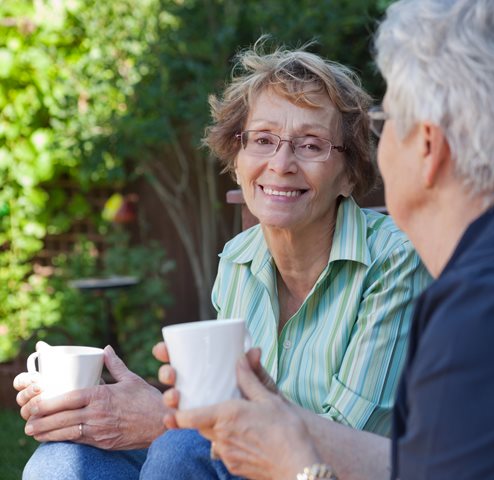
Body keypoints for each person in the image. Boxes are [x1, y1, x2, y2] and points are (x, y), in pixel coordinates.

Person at [163, 0, 494, 479]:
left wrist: (300, 469)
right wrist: (279, 421)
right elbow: (427, 464)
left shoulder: (492, 309)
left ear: (427, 147)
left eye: (386, 118)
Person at [14, 44, 431, 479]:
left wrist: (165, 418)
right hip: (243, 462)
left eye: (311, 145)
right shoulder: (237, 261)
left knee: (182, 447)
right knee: (61, 461)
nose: (281, 163)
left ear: (349, 173)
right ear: (237, 161)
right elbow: (220, 408)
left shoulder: (394, 261)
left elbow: (345, 443)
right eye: (264, 140)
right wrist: (103, 411)